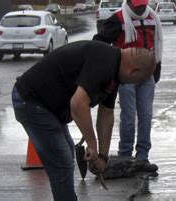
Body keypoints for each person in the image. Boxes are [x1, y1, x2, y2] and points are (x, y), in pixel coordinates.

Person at [12, 40, 156, 201]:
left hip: (49, 108)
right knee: (62, 161)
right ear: (133, 70)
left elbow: (106, 115)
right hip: (31, 101)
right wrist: (92, 145)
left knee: (66, 156)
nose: (134, 84)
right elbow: (78, 104)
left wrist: (102, 157)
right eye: (137, 80)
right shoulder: (105, 62)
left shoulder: (115, 71)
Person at [92, 0, 162, 172]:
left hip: (147, 76)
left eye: (143, 4)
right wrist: (109, 67)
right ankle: (125, 155)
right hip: (126, 76)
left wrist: (156, 70)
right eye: (137, 4)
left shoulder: (153, 18)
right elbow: (98, 43)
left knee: (146, 115)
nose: (141, 8)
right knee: (129, 116)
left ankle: (142, 157)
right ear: (129, 3)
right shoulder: (117, 20)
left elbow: (156, 46)